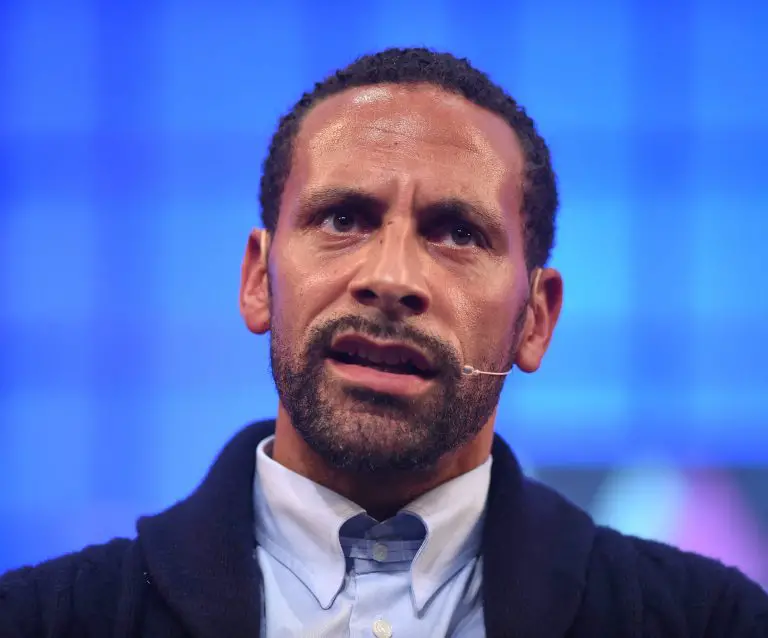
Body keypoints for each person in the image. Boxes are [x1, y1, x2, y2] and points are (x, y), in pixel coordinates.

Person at [1, 47, 766, 638]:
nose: (392, 278)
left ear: (535, 319)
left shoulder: (713, 623)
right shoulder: (41, 621)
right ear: (259, 280)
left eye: (457, 233)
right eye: (343, 220)